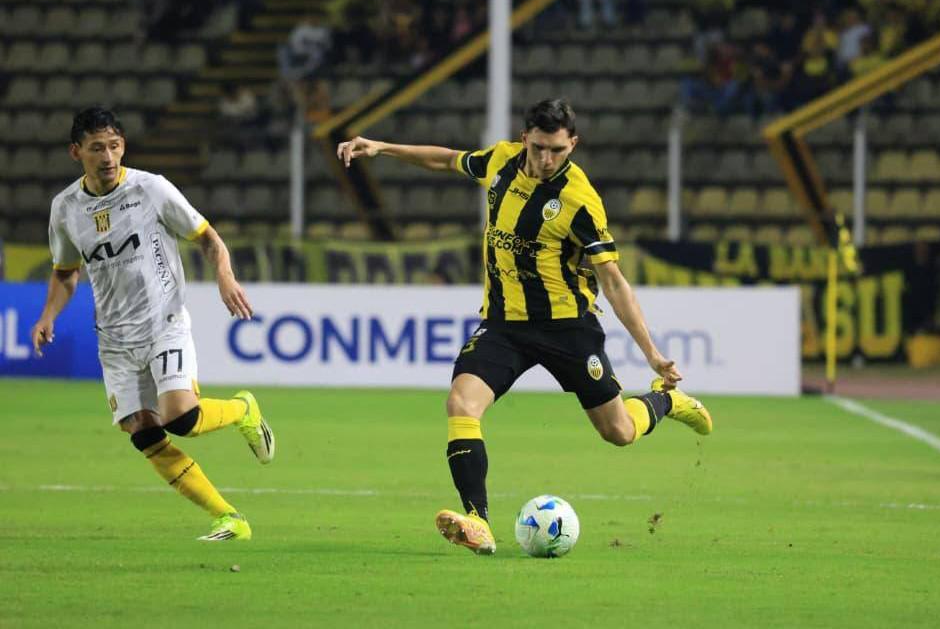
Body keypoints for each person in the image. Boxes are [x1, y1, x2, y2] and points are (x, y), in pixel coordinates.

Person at [336, 99, 712, 556]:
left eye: (557, 150)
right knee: (461, 402)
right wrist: (382, 148)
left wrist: (651, 353)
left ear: (573, 144)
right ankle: (478, 521)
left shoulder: (580, 201)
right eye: (538, 148)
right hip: (505, 326)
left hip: (567, 328)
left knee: (618, 432)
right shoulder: (501, 160)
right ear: (524, 139)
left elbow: (613, 281)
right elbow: (447, 159)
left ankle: (666, 401)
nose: (547, 159)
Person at [31, 107, 276, 540]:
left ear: (123, 146)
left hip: (164, 321)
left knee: (180, 417)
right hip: (114, 340)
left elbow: (207, 237)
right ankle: (229, 518)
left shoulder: (150, 189)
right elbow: (66, 273)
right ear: (76, 152)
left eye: (114, 146)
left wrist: (224, 276)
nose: (108, 156)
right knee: (143, 432)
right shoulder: (65, 208)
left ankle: (243, 410)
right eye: (96, 148)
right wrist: (48, 314)